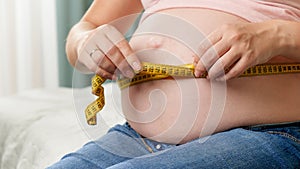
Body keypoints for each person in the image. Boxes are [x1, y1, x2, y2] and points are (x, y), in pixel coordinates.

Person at [49, 0, 300, 168]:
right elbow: (85, 28)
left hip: (268, 132)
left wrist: (275, 34)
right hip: (137, 136)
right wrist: (86, 42)